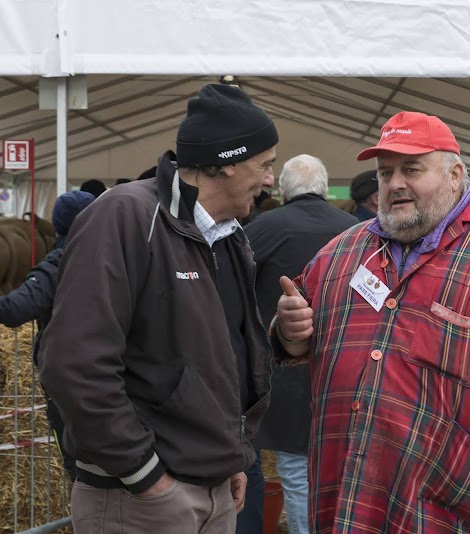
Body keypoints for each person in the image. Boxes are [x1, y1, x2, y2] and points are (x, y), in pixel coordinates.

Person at [273, 110, 470, 533]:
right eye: (385, 173)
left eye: (411, 169)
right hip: (346, 491)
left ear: (455, 174)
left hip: (451, 502)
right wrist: (289, 331)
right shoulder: (340, 252)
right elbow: (296, 337)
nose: (395, 183)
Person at [38, 83, 276, 534]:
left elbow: (220, 358)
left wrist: (229, 458)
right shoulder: (124, 216)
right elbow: (74, 362)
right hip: (141, 499)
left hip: (214, 488)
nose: (270, 180)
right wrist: (145, 476)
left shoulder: (231, 236)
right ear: (225, 163)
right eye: (264, 165)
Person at [245, 154, 358, 534]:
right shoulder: (355, 229)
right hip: (347, 366)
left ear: (282, 189)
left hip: (282, 365)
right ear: (325, 188)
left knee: (295, 471)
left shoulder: (262, 227)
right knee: (343, 473)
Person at [0, 190, 95, 481]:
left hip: (68, 378)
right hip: (117, 374)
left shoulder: (57, 264)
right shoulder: (118, 256)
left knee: (77, 461)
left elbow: (14, 309)